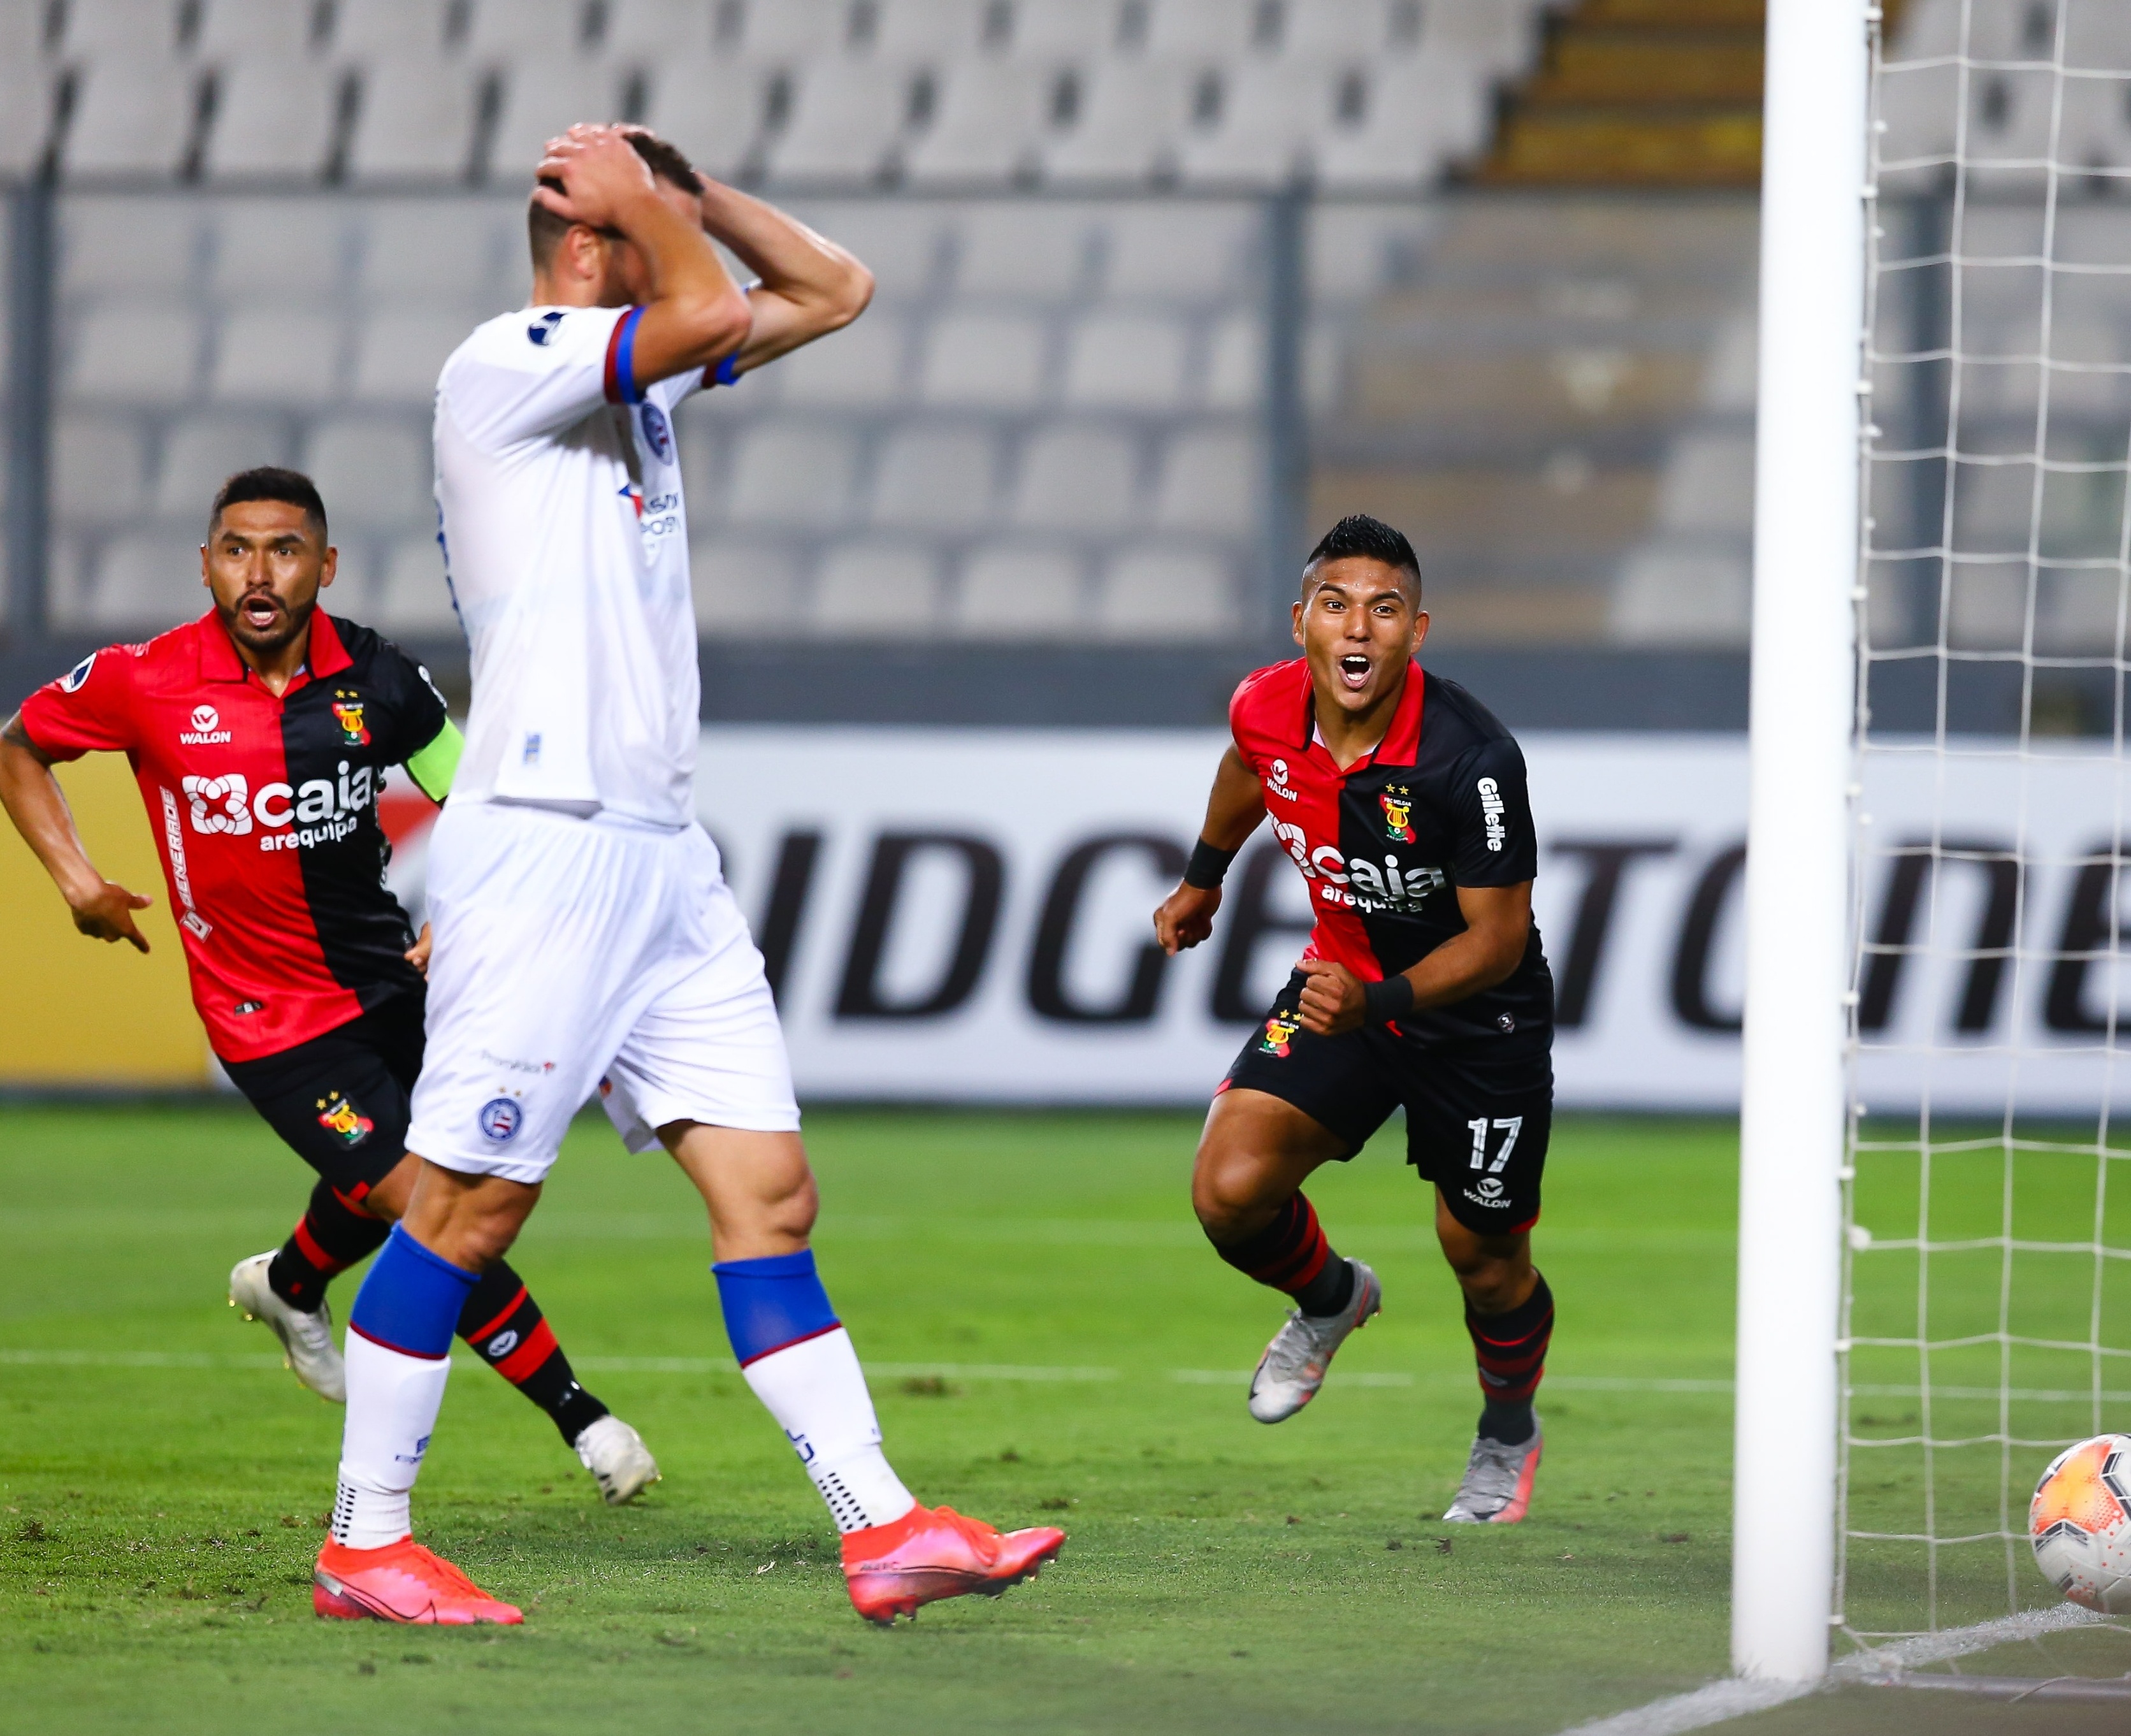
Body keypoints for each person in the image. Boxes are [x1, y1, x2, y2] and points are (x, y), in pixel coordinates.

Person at [311, 124, 1064, 1629]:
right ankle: (364, 1540)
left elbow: (836, 289)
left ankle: (883, 1525)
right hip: (549, 840)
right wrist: (658, 211)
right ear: (585, 237)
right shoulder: (507, 359)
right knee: (465, 1209)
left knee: (769, 1193)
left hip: (664, 859)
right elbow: (719, 311)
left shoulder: (638, 384)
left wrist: (693, 188)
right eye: (639, 221)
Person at [0, 467, 660, 1505]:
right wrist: (79, 882)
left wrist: (469, 910)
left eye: (285, 550)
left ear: (325, 565)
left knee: (411, 1173)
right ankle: (586, 1420)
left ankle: (291, 1281)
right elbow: (21, 747)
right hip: (267, 1020)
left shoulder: (379, 679)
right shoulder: (146, 679)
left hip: (387, 983)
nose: (259, 572)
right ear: (208, 563)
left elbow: (476, 794)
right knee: (431, 1202)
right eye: (237, 549)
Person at [1153, 514, 1560, 1525]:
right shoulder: (1265, 706)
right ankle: (1333, 1298)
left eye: (1385, 609)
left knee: (1485, 1257)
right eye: (1337, 606)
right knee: (1229, 1191)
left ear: (1417, 633)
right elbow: (1251, 768)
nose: (1359, 629)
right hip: (1346, 990)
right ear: (1303, 622)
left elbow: (1499, 939)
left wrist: (1379, 999)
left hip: (1479, 1028)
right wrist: (1205, 878)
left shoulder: (1473, 759)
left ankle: (1508, 1435)